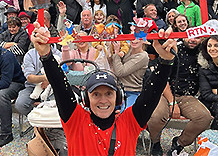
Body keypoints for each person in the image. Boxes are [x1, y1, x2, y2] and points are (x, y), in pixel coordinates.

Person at [31, 22, 176, 155]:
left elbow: (152, 93)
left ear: (118, 97)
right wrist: (46, 55)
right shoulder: (75, 121)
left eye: (108, 93)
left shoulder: (130, 122)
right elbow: (59, 86)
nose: (103, 100)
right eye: (96, 94)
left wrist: (165, 61)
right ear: (86, 98)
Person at [15, 46, 61, 118]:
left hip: (54, 86)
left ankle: (49, 124)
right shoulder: (30, 54)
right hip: (32, 87)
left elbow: (63, 72)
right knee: (20, 104)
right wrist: (45, 78)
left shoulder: (57, 53)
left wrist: (49, 81)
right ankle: (37, 120)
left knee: (54, 104)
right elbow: (29, 77)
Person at [200, 35, 218, 134]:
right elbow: (206, 94)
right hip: (211, 101)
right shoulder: (203, 67)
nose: (212, 49)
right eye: (209, 46)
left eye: (216, 45)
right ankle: (211, 142)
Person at [109, 39, 149, 108]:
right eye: (132, 37)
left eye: (138, 38)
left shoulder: (143, 56)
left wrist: (116, 53)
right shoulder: (126, 48)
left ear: (143, 41)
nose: (134, 40)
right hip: (116, 90)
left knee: (126, 115)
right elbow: (111, 63)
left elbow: (120, 72)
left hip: (132, 91)